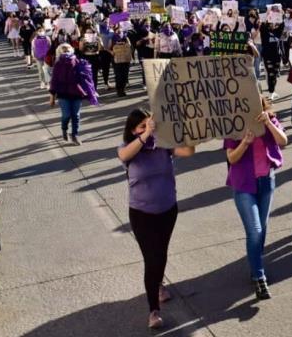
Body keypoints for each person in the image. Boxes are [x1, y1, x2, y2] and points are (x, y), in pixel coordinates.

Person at [117, 109, 196, 329]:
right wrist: (145, 135)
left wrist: (186, 131)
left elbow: (188, 151)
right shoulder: (127, 149)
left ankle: (158, 284)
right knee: (151, 259)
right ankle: (154, 310)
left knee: (160, 254)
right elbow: (124, 156)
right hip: (142, 213)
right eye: (141, 126)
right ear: (133, 130)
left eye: (149, 124)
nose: (147, 129)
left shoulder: (163, 145)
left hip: (168, 209)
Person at [224, 98, 287, 300]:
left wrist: (268, 122)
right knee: (255, 231)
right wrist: (245, 142)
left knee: (263, 228)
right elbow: (231, 158)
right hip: (244, 184)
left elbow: (283, 141)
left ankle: (255, 264)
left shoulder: (270, 120)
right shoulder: (234, 125)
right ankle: (260, 277)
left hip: (266, 182)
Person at [49, 44, 98, 145]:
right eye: (63, 49)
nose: (66, 50)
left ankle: (75, 135)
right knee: (66, 115)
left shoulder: (78, 61)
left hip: (76, 92)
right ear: (60, 51)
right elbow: (54, 80)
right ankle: (64, 130)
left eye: (68, 48)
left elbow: (86, 78)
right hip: (63, 93)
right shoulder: (58, 64)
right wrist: (52, 96)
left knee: (76, 115)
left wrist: (91, 91)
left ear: (72, 50)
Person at [260, 21, 285, 101]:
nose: (273, 25)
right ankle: (271, 92)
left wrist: (280, 15)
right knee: (270, 74)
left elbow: (282, 25)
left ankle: (273, 91)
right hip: (268, 57)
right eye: (271, 24)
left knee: (275, 75)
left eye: (273, 24)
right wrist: (268, 16)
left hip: (277, 57)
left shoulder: (277, 32)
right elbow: (262, 26)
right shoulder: (264, 32)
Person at [111, 27, 133, 97]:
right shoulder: (113, 38)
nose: (119, 31)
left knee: (125, 75)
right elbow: (108, 47)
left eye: (121, 30)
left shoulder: (126, 38)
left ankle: (123, 89)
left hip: (125, 59)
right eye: (118, 30)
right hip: (117, 60)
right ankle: (119, 90)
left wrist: (126, 40)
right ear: (115, 30)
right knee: (118, 75)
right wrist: (112, 52)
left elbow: (129, 46)